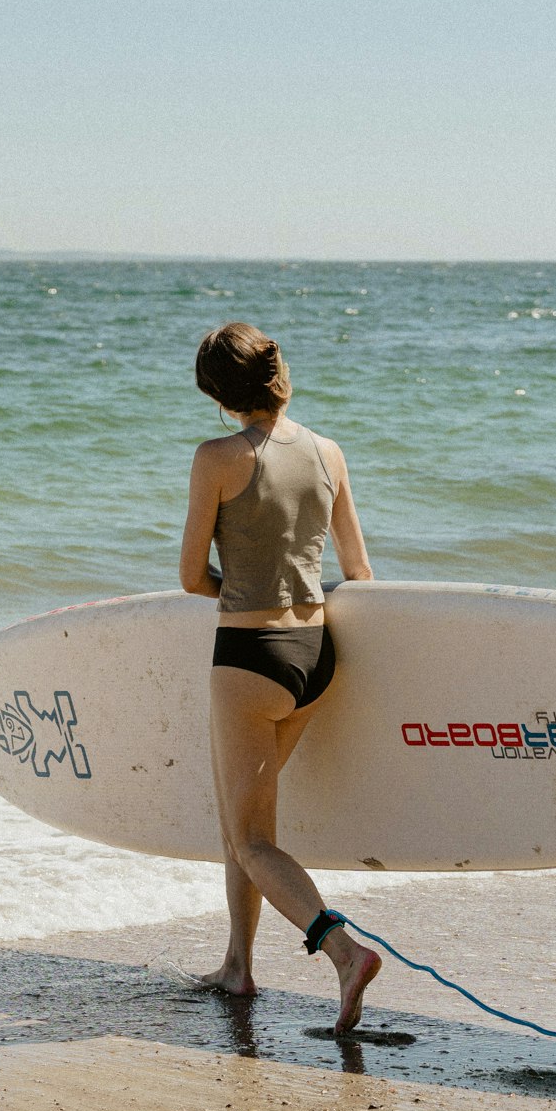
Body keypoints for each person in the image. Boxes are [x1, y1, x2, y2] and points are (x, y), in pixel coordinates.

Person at [177, 321, 382, 1034]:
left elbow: (190, 576)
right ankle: (237, 964)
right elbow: (359, 571)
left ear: (218, 393)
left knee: (250, 839)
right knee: (244, 824)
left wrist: (238, 592)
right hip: (316, 656)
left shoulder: (217, 458)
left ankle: (344, 951)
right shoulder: (329, 452)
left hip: (251, 658)